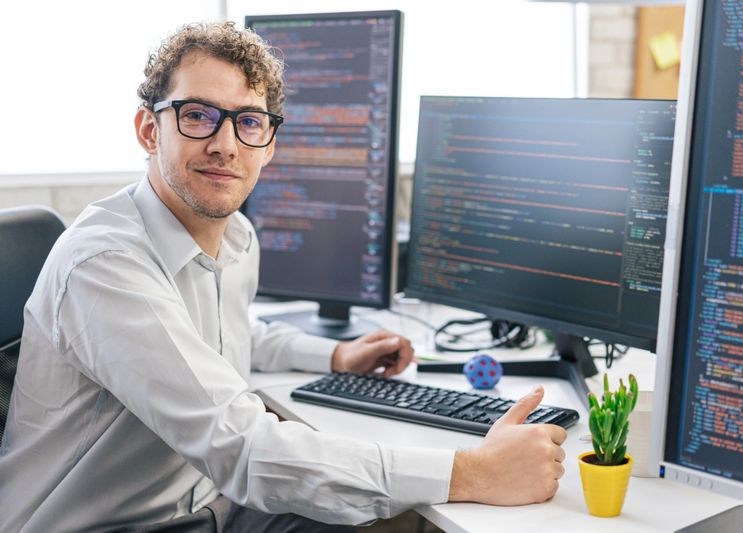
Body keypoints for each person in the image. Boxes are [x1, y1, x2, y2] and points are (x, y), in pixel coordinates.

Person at [0, 22, 567, 532]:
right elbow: (245, 448)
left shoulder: (236, 237)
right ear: (150, 130)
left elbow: (216, 337)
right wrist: (474, 472)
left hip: (208, 506)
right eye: (198, 115)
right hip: (105, 525)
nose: (225, 144)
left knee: (400, 519)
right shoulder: (104, 264)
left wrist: (334, 357)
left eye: (248, 122)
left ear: (269, 145)